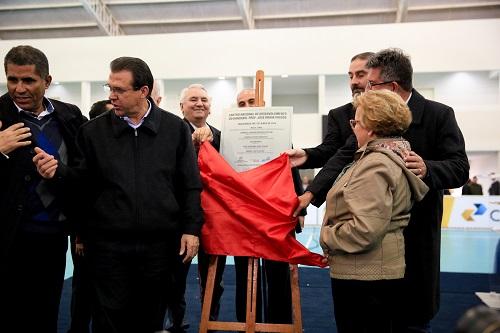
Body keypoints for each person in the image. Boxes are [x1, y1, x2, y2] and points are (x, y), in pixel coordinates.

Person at [291, 48, 470, 331]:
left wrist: (427, 168)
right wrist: (311, 192)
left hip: (417, 229)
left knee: (413, 310)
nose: (365, 88)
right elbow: (341, 154)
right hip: (375, 247)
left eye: (371, 83)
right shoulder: (369, 121)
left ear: (393, 86)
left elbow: (460, 168)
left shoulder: (439, 115)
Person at [33, 56, 203, 333]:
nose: (112, 96)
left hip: (160, 247)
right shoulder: (92, 132)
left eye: (119, 90)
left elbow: (190, 184)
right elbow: (82, 185)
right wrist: (58, 172)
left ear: (143, 91)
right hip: (107, 249)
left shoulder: (175, 129)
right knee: (108, 322)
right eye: (109, 88)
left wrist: (191, 229)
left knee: (150, 320)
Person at [321, 89, 428, 332]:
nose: (353, 128)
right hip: (375, 273)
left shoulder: (375, 165)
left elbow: (365, 230)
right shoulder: (391, 156)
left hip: (364, 278)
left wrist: (326, 236)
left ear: (369, 127)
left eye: (355, 122)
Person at [0, 45, 87, 332]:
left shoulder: (71, 116)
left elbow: (86, 171)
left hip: (53, 236)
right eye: (12, 80)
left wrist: (60, 172)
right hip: (9, 238)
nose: (19, 88)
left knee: (46, 313)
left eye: (29, 81)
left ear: (47, 81)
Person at [233, 88, 306, 324]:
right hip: (243, 217)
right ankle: (246, 325)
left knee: (278, 274)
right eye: (241, 104)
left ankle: (280, 324)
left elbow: (292, 169)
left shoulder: (279, 133)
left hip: (277, 216)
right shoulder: (232, 139)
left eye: (251, 101)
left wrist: (301, 208)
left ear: (262, 103)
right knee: (244, 276)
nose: (247, 107)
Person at [163, 83, 226, 333]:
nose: (199, 103)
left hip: (216, 218)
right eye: (192, 100)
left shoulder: (223, 137)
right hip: (180, 219)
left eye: (203, 100)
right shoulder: (170, 135)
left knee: (214, 278)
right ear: (181, 107)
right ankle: (176, 321)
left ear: (210, 107)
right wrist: (190, 144)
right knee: (175, 277)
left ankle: (210, 321)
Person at [285, 52, 373, 172]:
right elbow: (329, 151)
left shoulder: (399, 111)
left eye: (360, 75)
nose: (353, 82)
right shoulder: (338, 115)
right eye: (351, 76)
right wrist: (306, 155)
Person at [67, 99, 113, 333]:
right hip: (86, 236)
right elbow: (79, 195)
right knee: (84, 288)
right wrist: (80, 236)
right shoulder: (85, 149)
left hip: (108, 235)